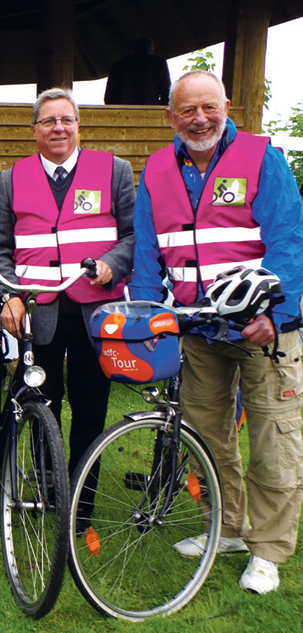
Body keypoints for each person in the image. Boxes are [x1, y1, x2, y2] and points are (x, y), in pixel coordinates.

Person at [131, 70, 303, 595]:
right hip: (199, 329)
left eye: (209, 107)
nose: (200, 118)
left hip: (262, 329)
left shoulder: (261, 157)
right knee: (207, 435)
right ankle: (225, 528)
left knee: (273, 437)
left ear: (227, 105)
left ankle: (268, 549)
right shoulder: (157, 169)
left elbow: (289, 240)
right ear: (170, 116)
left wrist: (275, 313)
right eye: (187, 110)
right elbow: (146, 252)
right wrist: (143, 317)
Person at [0, 87, 135, 522]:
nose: (58, 128)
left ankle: (81, 506)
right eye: (48, 121)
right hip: (39, 315)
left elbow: (133, 235)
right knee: (39, 404)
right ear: (34, 130)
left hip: (95, 313)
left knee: (90, 410)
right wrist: (9, 295)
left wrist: (112, 263)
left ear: (78, 125)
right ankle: (48, 490)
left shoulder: (114, 170)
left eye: (66, 119)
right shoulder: (14, 177)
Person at [104, 38, 171, 105]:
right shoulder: (159, 63)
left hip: (123, 111)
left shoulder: (118, 65)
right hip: (149, 110)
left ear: (133, 50)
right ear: (152, 51)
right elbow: (166, 92)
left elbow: (109, 97)